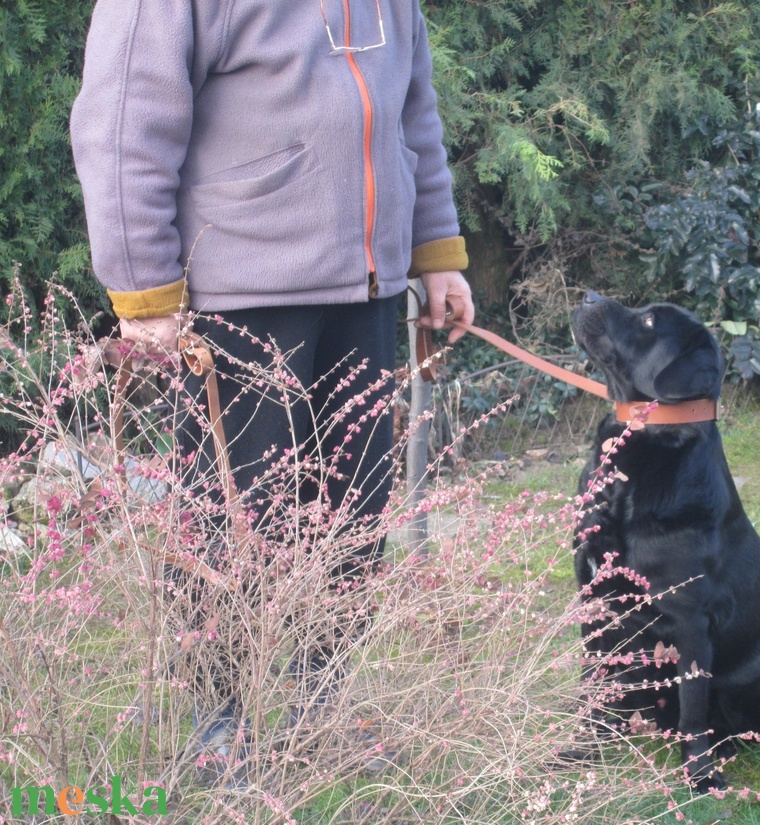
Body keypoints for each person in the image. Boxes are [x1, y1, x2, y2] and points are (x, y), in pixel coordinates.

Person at [70, 0, 474, 775]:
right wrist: (145, 288)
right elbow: (123, 119)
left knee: (354, 512)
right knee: (233, 517)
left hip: (367, 293)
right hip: (240, 293)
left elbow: (411, 114)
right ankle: (217, 722)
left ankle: (322, 706)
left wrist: (436, 250)